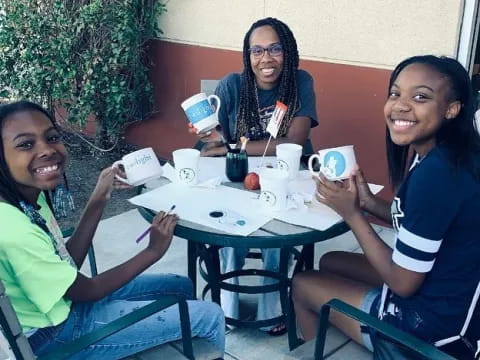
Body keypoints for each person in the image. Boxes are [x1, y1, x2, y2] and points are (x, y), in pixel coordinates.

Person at [0, 101, 225, 360]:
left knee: (180, 286)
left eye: (52, 137)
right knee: (209, 316)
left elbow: (67, 263)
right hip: (53, 336)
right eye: (25, 144)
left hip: (63, 306)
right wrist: (152, 251)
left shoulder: (25, 195)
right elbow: (87, 291)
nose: (47, 150)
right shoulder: (13, 230)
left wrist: (99, 195)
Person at [292, 55, 480, 359]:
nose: (401, 105)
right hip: (447, 297)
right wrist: (368, 203)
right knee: (331, 262)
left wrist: (352, 215)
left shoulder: (437, 175)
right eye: (395, 93)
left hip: (431, 333)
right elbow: (423, 225)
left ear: (452, 109)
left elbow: (402, 283)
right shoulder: (450, 154)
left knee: (302, 284)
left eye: (420, 97)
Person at [189, 17, 318, 336]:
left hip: (286, 178)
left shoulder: (300, 81)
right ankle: (227, 311)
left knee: (277, 235)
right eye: (257, 50)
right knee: (230, 233)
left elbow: (295, 142)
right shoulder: (232, 85)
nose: (266, 58)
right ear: (247, 55)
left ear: (287, 51)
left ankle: (270, 310)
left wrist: (235, 145)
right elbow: (211, 143)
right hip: (239, 180)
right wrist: (207, 135)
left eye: (275, 48)